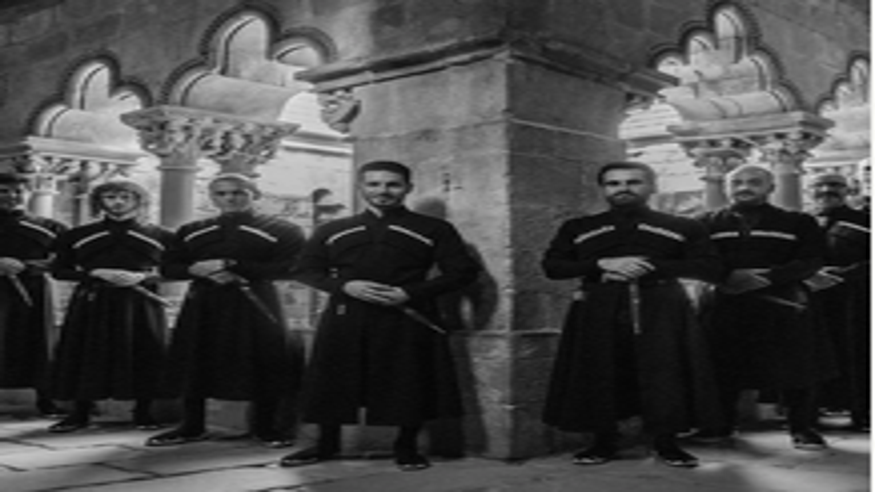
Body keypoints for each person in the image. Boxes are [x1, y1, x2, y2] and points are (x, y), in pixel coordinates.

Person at [280, 160, 480, 471]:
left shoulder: (435, 229)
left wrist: (411, 293)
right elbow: (304, 270)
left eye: (392, 184)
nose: (382, 191)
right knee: (333, 379)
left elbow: (463, 272)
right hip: (345, 315)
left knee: (407, 380)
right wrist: (344, 286)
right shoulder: (332, 230)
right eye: (373, 184)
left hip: (406, 316)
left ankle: (407, 447)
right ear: (361, 187)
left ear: (407, 188)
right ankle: (326, 443)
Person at [540, 161, 722, 468]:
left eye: (633, 182)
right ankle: (602, 442)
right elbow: (553, 267)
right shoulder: (578, 228)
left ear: (652, 186)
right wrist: (601, 264)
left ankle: (667, 443)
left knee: (666, 372)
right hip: (598, 308)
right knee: (599, 371)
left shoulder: (684, 226)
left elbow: (710, 268)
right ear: (603, 189)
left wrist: (651, 266)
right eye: (613, 183)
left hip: (662, 307)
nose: (623, 188)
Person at [146, 173, 305, 448]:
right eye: (221, 193)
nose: (229, 198)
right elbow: (169, 267)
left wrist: (234, 266)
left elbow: (292, 267)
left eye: (238, 192)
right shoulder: (192, 230)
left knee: (263, 359)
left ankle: (266, 427)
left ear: (255, 194)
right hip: (204, 303)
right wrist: (194, 269)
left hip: (255, 301)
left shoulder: (283, 229)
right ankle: (191, 426)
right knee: (195, 358)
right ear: (212, 197)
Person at [696, 165, 834, 449]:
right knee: (723, 366)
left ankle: (802, 428)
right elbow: (697, 260)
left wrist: (767, 278)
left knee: (797, 368)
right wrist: (726, 277)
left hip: (783, 306)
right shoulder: (705, 223)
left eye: (754, 182)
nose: (744, 187)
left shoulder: (798, 222)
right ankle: (721, 424)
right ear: (726, 187)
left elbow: (812, 260)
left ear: (771, 187)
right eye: (737, 182)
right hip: (726, 305)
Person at [48, 180, 173, 432]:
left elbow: (174, 270)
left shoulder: (162, 236)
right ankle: (80, 413)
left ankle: (144, 412)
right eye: (110, 197)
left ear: (138, 200)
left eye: (125, 197)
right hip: (92, 301)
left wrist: (142, 277)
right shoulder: (77, 235)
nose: (118, 202)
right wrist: (94, 273)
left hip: (140, 303)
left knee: (144, 351)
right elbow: (59, 271)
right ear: (99, 201)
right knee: (85, 352)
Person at [0, 173, 68, 417]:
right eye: (4, 191)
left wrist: (26, 266)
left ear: (29, 193)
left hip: (33, 290)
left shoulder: (51, 227)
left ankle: (46, 400)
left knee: (39, 342)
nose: (12, 196)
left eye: (18, 191)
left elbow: (64, 262)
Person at [806, 173, 870, 431]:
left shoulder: (865, 220)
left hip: (855, 299)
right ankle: (810, 412)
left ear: (848, 190)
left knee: (856, 352)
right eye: (819, 185)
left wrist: (846, 274)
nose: (826, 190)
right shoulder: (803, 222)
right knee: (814, 353)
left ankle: (862, 412)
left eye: (834, 185)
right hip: (812, 298)